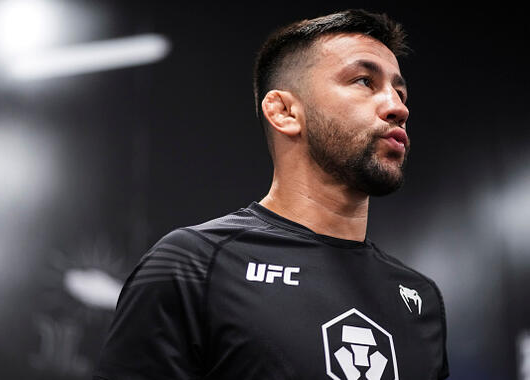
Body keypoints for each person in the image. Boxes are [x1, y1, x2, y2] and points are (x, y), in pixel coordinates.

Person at [93, 9, 449, 380]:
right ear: (284, 112)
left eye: (400, 91)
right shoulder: (192, 266)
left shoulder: (420, 299)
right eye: (364, 81)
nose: (397, 107)